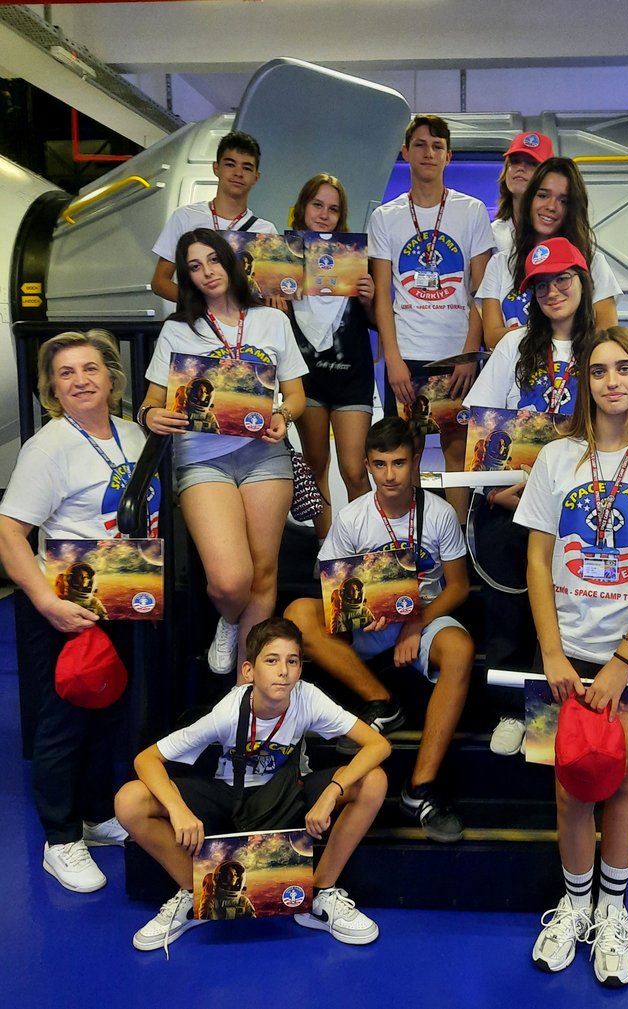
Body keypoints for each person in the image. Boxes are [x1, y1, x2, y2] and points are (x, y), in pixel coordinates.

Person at [514, 326, 628, 987]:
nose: (612, 381)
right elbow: (536, 561)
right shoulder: (557, 458)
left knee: (622, 783)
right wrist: (552, 651)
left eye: (624, 369)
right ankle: (574, 904)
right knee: (568, 786)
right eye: (598, 371)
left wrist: (622, 662)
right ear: (584, 383)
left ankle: (612, 909)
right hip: (565, 656)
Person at [115, 617, 389, 952]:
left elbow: (378, 745)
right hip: (231, 797)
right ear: (248, 671)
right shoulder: (228, 712)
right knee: (130, 800)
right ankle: (195, 894)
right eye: (271, 661)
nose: (283, 671)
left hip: (288, 796)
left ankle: (320, 894)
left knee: (373, 780)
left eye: (292, 661)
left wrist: (333, 792)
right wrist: (178, 810)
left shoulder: (308, 698)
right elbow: (146, 759)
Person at [0, 330, 161, 893]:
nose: (80, 381)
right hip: (66, 603)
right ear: (52, 388)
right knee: (64, 721)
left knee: (108, 711)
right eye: (65, 373)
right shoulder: (48, 448)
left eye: (89, 369)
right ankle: (61, 838)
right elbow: (9, 534)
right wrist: (47, 603)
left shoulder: (134, 434)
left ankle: (95, 816)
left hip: (123, 597)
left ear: (111, 378)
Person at [284, 417, 474, 844]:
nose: (390, 475)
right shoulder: (352, 517)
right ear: (367, 465)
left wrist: (416, 623)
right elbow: (332, 591)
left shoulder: (439, 513)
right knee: (298, 613)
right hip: (369, 622)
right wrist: (356, 612)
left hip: (423, 619)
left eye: (399, 463)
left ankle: (419, 788)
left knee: (460, 649)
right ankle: (381, 700)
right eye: (380, 464)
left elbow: (458, 586)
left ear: (415, 462)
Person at [139, 228, 307, 677]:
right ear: (187, 277)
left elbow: (296, 396)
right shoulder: (177, 329)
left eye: (213, 260)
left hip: (264, 455)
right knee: (230, 581)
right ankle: (230, 620)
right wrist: (150, 417)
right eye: (194, 267)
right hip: (202, 458)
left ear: (230, 262)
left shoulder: (272, 321)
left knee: (264, 575)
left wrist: (282, 416)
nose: (207, 272)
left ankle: (243, 689)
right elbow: (150, 402)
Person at [463, 237, 598, 755]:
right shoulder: (514, 346)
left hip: (583, 510)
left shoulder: (605, 347)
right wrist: (503, 493)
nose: (553, 291)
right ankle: (509, 710)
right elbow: (482, 430)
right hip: (510, 503)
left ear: (584, 282)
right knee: (508, 612)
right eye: (541, 285)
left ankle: (555, 714)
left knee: (570, 613)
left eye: (563, 279)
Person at [368, 114, 495, 520]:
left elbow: (482, 291)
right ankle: (413, 536)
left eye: (437, 146)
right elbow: (383, 296)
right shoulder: (385, 217)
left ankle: (456, 539)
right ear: (405, 152)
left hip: (457, 355)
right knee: (408, 451)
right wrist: (392, 360)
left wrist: (469, 354)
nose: (429, 153)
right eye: (420, 145)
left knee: (458, 449)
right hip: (408, 354)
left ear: (448, 156)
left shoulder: (471, 211)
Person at [287, 173, 376, 537]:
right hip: (306, 377)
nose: (324, 215)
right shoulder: (283, 257)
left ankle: (365, 547)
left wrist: (368, 299)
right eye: (318, 205)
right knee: (315, 465)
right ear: (303, 207)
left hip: (352, 375)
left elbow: (376, 322)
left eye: (333, 209)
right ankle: (325, 548)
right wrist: (272, 298)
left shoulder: (354, 257)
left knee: (354, 470)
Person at [478, 157, 621, 349]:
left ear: (573, 208)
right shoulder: (499, 264)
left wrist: (537, 334)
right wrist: (558, 330)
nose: (551, 206)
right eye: (543, 195)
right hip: (514, 368)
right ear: (530, 199)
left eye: (563, 200)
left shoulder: (593, 262)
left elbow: (605, 333)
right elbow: (492, 337)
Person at [151, 131, 277, 304]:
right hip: (196, 319)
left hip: (245, 320)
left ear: (256, 177)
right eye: (230, 164)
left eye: (247, 168)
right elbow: (159, 282)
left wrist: (276, 302)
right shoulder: (185, 217)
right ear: (216, 168)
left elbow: (270, 294)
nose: (238, 173)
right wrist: (203, 307)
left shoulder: (266, 232)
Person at [491, 131, 555, 254]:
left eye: (532, 163)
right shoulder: (492, 234)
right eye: (515, 161)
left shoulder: (561, 232)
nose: (521, 168)